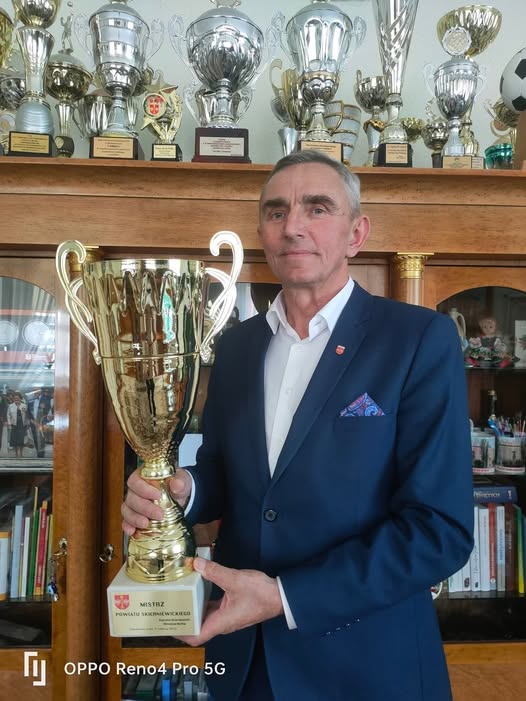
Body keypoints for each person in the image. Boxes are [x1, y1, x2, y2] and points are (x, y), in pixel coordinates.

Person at [122, 150, 474, 701]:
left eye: (317, 208)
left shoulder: (417, 340)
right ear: (262, 232)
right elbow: (224, 471)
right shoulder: (237, 348)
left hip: (367, 666)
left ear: (356, 233)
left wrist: (286, 597)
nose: (293, 226)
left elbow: (440, 530)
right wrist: (183, 491)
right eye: (276, 211)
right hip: (246, 660)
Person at [7, 391, 30, 458]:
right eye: (15, 398)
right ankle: (17, 454)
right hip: (14, 425)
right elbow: (8, 415)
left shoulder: (24, 405)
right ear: (13, 399)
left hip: (22, 425)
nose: (16, 399)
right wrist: (9, 423)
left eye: (18, 398)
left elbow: (27, 415)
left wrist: (28, 423)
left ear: (20, 398)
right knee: (15, 441)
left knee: (22, 440)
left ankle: (21, 454)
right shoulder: (10, 406)